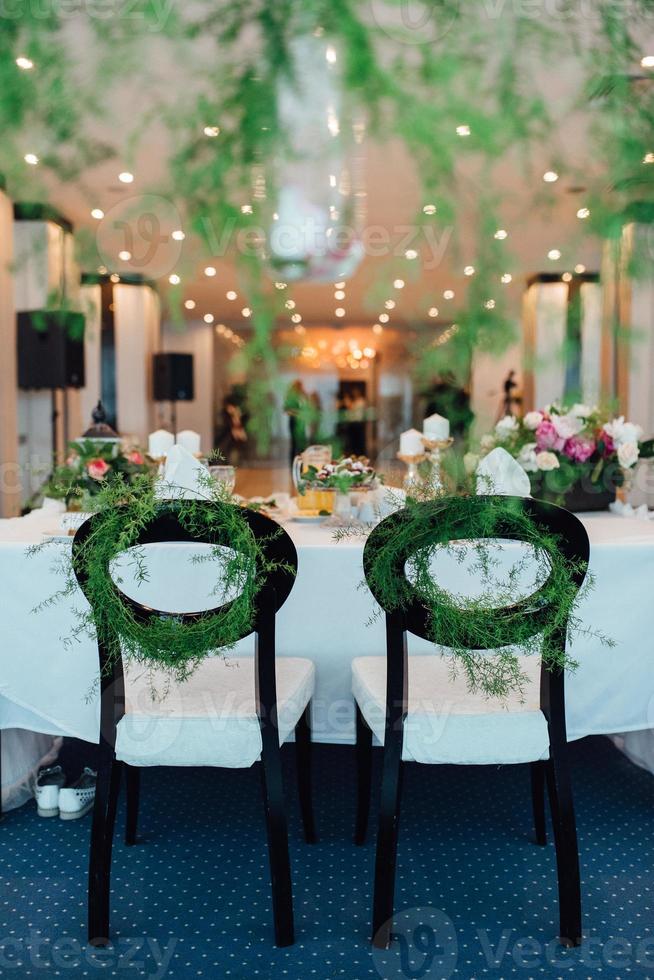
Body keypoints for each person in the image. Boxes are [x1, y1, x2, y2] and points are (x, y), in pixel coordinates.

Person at [284, 380, 309, 464]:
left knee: (302, 442)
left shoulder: (301, 396)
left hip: (301, 422)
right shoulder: (291, 396)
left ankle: (301, 462)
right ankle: (293, 463)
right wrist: (297, 413)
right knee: (294, 443)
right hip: (294, 421)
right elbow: (286, 410)